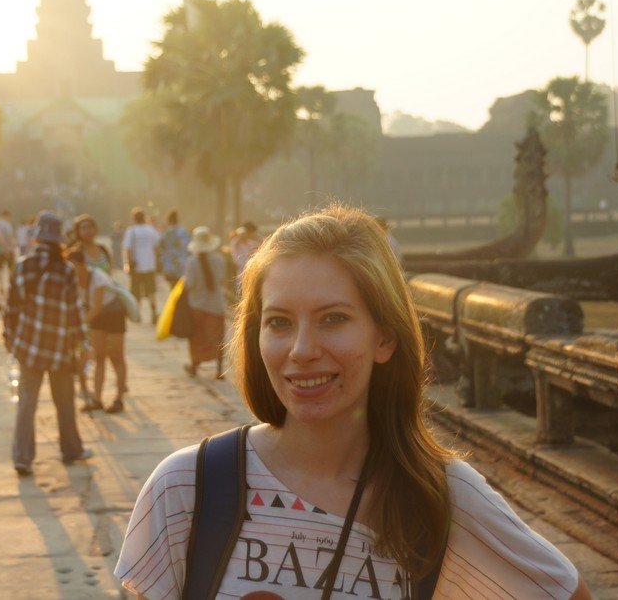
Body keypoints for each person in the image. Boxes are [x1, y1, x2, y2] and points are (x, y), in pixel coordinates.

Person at [115, 205, 590, 599]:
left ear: (384, 337)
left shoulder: (439, 498)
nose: (301, 350)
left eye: (333, 318)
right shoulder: (189, 489)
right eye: (279, 322)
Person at [4, 211, 93, 474]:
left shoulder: (23, 265)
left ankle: (22, 457)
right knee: (64, 402)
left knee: (26, 403)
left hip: (28, 345)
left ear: (37, 239)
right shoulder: (65, 269)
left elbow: (11, 307)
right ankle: (71, 449)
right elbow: (74, 312)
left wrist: (9, 339)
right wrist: (83, 344)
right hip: (59, 348)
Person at [68, 249, 128, 414]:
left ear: (82, 265)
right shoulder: (72, 280)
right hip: (96, 318)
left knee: (116, 357)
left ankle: (119, 399)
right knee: (99, 357)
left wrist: (79, 324)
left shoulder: (97, 277)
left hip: (113, 314)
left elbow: (97, 306)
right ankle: (97, 399)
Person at [181, 226, 227, 379]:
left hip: (197, 305)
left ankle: (194, 366)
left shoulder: (191, 262)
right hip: (216, 305)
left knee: (197, 337)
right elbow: (221, 279)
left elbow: (190, 284)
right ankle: (219, 370)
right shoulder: (219, 259)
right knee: (218, 337)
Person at [122, 207, 162, 324]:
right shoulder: (151, 230)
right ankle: (154, 312)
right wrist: (157, 261)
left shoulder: (131, 231)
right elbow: (156, 246)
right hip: (149, 265)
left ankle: (137, 314)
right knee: (151, 291)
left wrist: (129, 263)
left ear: (134, 218)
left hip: (136, 267)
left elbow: (127, 249)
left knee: (136, 292)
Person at [159, 209, 191, 286]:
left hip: (169, 265)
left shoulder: (165, 233)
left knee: (172, 288)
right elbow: (189, 248)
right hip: (182, 264)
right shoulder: (184, 232)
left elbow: (162, 249)